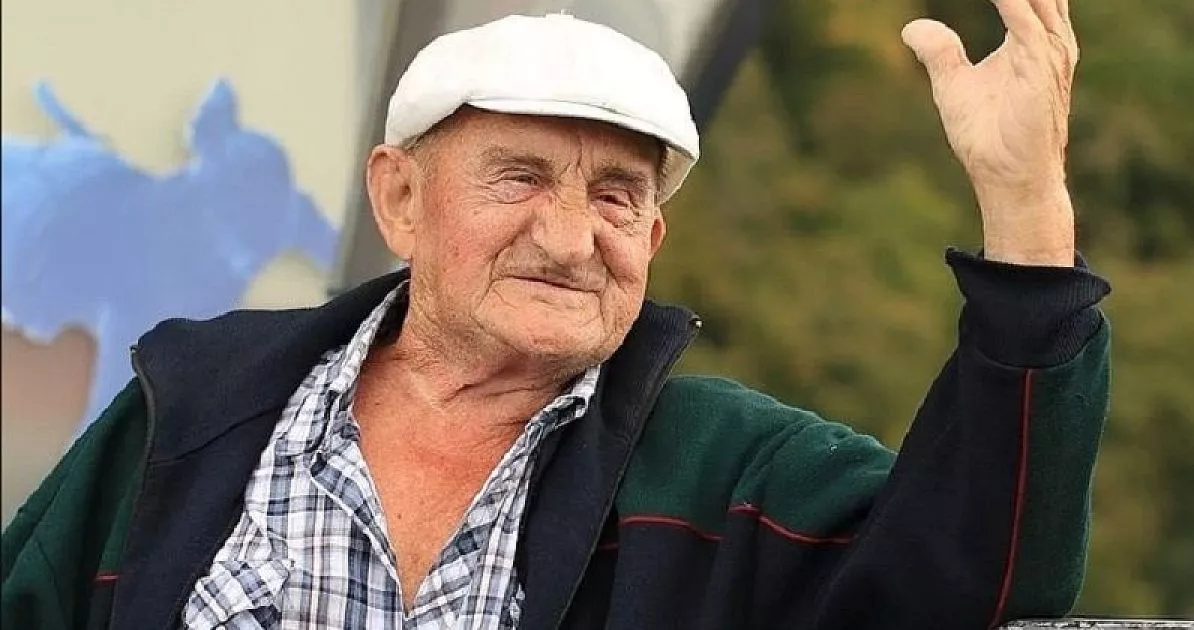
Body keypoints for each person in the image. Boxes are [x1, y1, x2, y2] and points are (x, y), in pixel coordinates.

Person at [1, 4, 1110, 629]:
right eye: (520, 177)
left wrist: (1025, 208)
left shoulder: (730, 471)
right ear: (400, 198)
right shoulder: (194, 411)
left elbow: (978, 580)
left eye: (618, 196)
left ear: (653, 239)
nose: (573, 238)